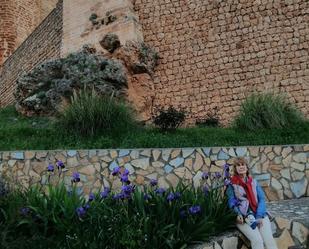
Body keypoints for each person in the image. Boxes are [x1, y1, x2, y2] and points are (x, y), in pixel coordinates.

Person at [226, 157, 278, 249]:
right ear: (235, 169)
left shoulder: (254, 182)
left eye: (243, 164)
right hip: (244, 217)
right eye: (238, 165)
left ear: (247, 167)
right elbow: (231, 201)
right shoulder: (231, 184)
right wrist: (237, 214)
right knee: (257, 240)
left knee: (269, 240)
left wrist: (259, 216)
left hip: (259, 214)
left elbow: (262, 199)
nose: (241, 167)